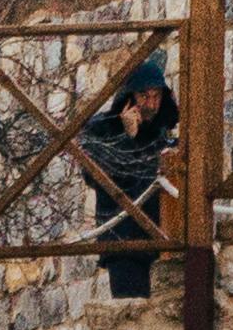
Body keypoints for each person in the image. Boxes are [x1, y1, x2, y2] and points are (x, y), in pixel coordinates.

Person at [77, 54, 180, 305]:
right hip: (123, 240)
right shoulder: (102, 129)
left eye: (156, 96)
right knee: (130, 312)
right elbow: (97, 177)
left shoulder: (162, 134)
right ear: (130, 97)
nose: (152, 104)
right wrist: (127, 137)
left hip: (163, 238)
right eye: (145, 96)